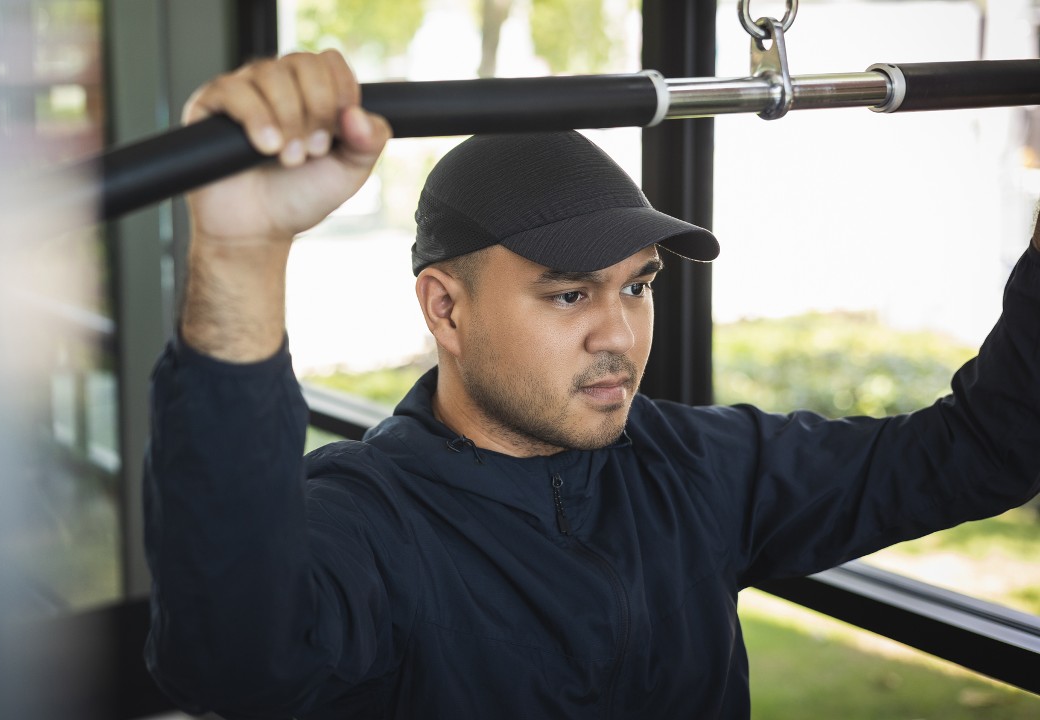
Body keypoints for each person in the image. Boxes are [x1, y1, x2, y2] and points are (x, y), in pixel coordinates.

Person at [142, 51, 1040, 719]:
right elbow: (228, 657)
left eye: (639, 286)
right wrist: (243, 253)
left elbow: (978, 454)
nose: (620, 333)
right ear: (444, 310)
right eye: (569, 292)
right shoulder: (371, 523)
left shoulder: (697, 464)